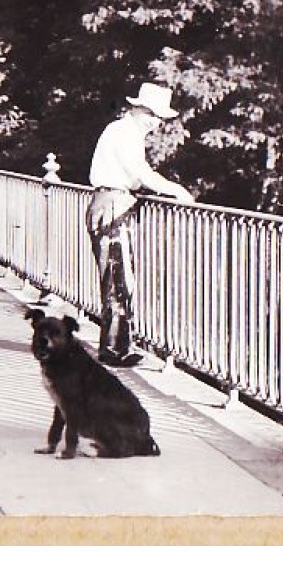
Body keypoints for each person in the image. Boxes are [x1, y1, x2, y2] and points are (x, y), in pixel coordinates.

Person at [86, 81, 192, 368]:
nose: (157, 123)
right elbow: (139, 172)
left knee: (120, 279)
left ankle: (118, 344)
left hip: (114, 203)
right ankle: (113, 350)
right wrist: (176, 190)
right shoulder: (124, 132)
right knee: (117, 280)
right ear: (141, 110)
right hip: (111, 206)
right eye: (155, 116)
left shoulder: (121, 130)